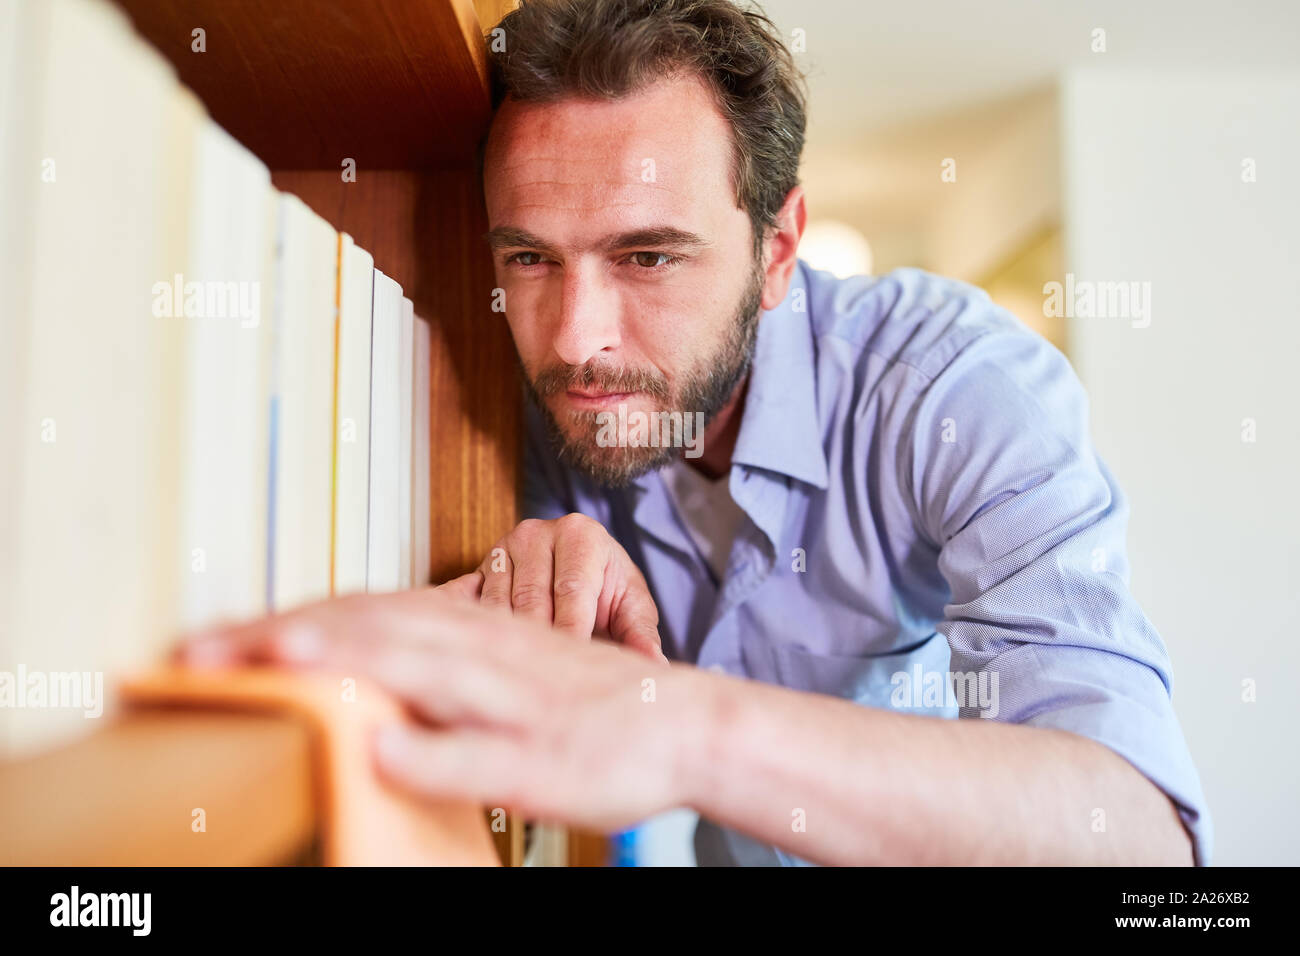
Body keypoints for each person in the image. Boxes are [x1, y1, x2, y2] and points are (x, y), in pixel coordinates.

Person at [186, 0, 1210, 866]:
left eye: (647, 257)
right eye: (531, 259)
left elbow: (1138, 835)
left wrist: (683, 723)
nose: (577, 341)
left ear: (777, 249)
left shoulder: (957, 387)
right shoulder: (542, 403)